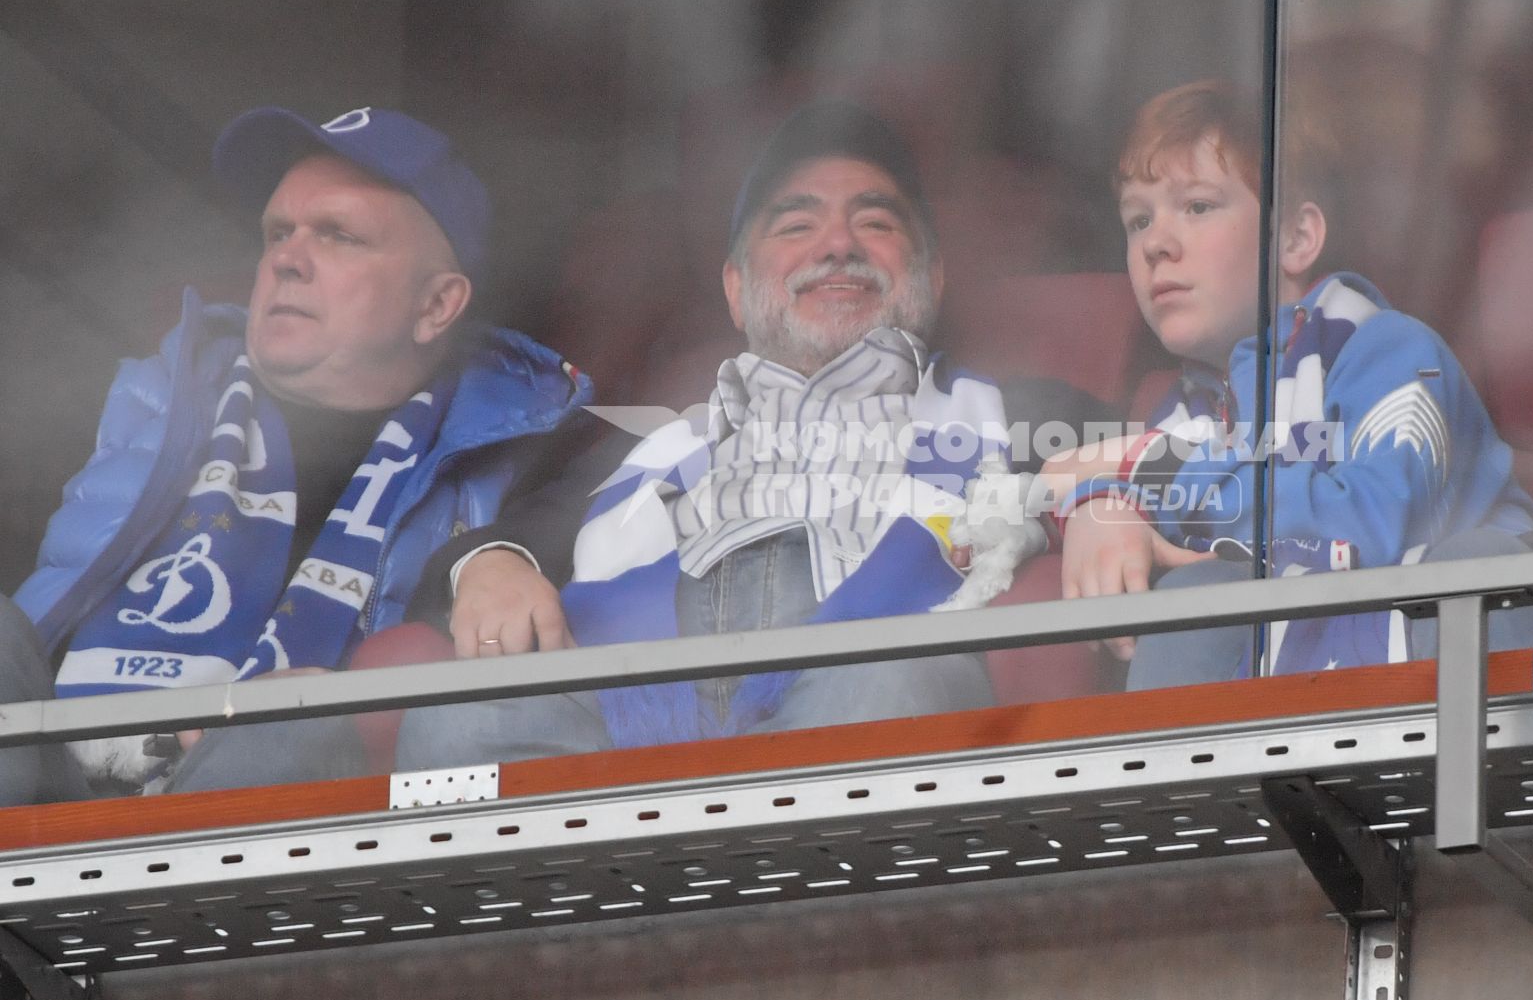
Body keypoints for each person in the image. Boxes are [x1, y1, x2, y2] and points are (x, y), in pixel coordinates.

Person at [400, 100, 1089, 761]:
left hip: (856, 712)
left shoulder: (1006, 414)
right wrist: (486, 565)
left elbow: (1160, 465)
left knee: (892, 679)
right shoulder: (659, 448)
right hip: (621, 738)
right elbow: (483, 548)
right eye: (795, 226)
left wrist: (1109, 501)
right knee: (458, 714)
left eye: (876, 222)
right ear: (735, 289)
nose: (839, 244)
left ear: (932, 278)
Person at [4, 105, 592, 796]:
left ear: (436, 305)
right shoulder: (135, 402)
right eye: (278, 232)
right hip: (47, 790)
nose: (286, 258)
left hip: (292, 813)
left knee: (293, 721)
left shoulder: (531, 449)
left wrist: (495, 557)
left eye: (338, 236)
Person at [1050, 79, 1533, 688]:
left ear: (1296, 238)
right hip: (1307, 733)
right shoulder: (1183, 415)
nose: (1156, 242)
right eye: (1137, 220)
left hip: (1482, 706)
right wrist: (1100, 506)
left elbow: (1368, 527)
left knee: (1478, 567)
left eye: (1198, 206)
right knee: (1191, 598)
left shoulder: (1390, 351)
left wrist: (1150, 472)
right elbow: (1095, 490)